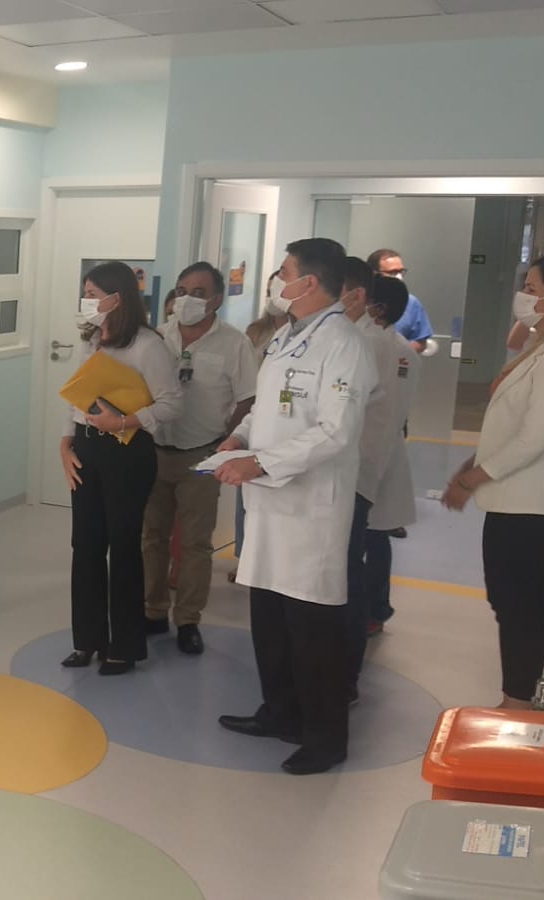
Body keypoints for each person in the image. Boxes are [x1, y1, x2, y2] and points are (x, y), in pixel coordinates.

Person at [215, 238, 377, 776]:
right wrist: (239, 438)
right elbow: (267, 407)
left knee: (312, 632)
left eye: (283, 272)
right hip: (269, 503)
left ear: (309, 282)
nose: (276, 280)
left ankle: (326, 738)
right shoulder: (287, 336)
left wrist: (261, 463)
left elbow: (336, 431)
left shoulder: (345, 344)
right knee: (271, 621)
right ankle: (279, 712)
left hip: (310, 511)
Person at [441, 255, 544, 709]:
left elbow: (533, 438)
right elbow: (511, 427)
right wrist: (473, 463)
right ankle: (520, 691)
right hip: (521, 496)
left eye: (532, 289)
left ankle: (519, 698)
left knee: (518, 601)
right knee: (512, 598)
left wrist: (471, 479)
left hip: (535, 500)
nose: (523, 296)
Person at [59, 261, 183, 675]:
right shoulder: (92, 338)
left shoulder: (147, 345)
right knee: (85, 545)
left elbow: (172, 403)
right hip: (86, 447)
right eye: (86, 293)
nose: (87, 300)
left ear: (117, 298)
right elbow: (77, 395)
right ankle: (87, 639)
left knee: (123, 546)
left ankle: (124, 646)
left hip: (127, 450)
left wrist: (126, 422)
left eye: (93, 294)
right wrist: (65, 442)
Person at [142, 263, 256, 655]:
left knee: (195, 543)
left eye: (198, 292)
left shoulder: (234, 343)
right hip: (155, 451)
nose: (187, 299)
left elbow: (247, 399)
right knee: (152, 537)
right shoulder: (157, 337)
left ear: (216, 300)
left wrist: (227, 442)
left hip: (202, 454)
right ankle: (153, 610)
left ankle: (188, 619)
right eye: (182, 290)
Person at [336, 258, 393, 701]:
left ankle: (345, 677)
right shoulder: (344, 337)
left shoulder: (366, 343)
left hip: (350, 475)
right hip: (338, 474)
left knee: (345, 573)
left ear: (355, 295)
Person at [361, 276, 419, 634]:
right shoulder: (402, 350)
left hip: (368, 455)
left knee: (368, 539)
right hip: (383, 452)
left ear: (377, 309)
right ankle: (375, 610)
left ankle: (370, 611)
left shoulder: (372, 347)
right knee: (376, 536)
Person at [229, 274, 287, 583]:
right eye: (269, 289)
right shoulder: (256, 331)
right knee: (246, 499)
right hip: (254, 418)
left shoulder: (300, 335)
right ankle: (244, 558)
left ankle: (269, 561)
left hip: (281, 425)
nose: (273, 295)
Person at [369, 249, 433, 353]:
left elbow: (420, 341)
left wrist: (397, 354)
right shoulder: (361, 300)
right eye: (392, 272)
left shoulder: (411, 303)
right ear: (374, 273)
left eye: (401, 271)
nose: (398, 276)